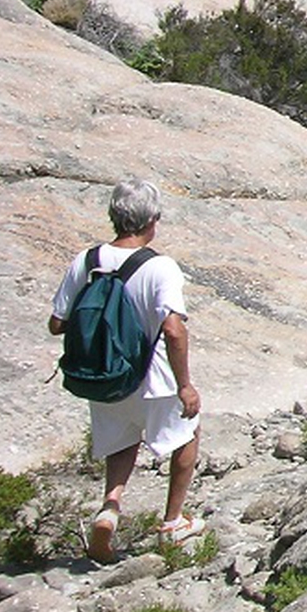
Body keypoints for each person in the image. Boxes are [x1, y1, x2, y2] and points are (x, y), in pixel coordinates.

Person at [49, 178, 203, 562]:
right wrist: (185, 385)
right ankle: (173, 523)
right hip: (153, 377)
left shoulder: (86, 261)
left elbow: (56, 323)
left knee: (121, 442)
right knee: (186, 436)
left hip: (105, 375)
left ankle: (111, 505)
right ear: (153, 219)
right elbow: (172, 328)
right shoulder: (160, 267)